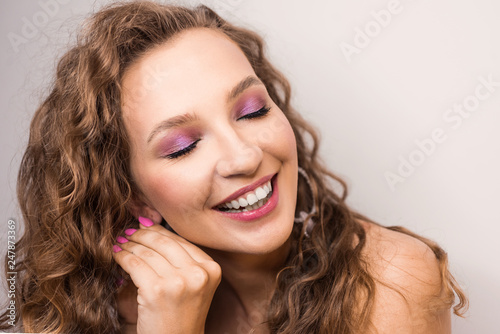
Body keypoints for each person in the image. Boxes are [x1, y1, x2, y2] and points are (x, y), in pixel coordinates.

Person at [0, 1, 468, 333]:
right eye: (183, 146)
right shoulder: (99, 312)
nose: (245, 156)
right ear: (131, 192)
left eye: (252, 111)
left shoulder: (389, 280)